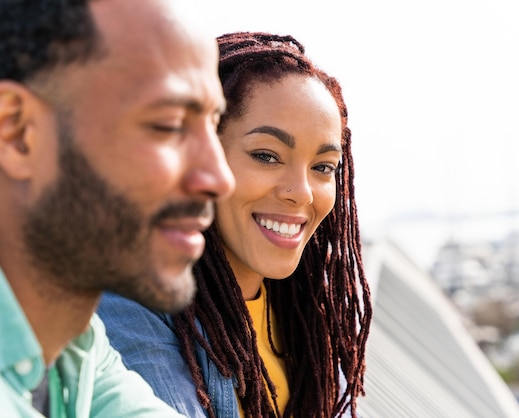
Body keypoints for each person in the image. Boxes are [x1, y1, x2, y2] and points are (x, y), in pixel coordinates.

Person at [99, 31, 372, 418]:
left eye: (323, 167)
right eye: (267, 155)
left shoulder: (310, 312)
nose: (302, 193)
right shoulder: (129, 306)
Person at [0, 0, 235, 416]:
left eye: (214, 126)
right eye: (168, 126)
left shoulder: (76, 351)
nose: (220, 178)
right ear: (19, 132)